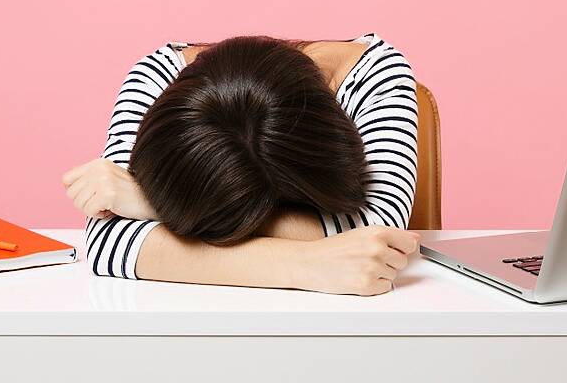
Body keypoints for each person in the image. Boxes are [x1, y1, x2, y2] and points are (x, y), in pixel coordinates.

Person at [61, 33, 420, 295]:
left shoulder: (374, 74)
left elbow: (377, 231)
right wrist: (304, 265)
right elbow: (109, 244)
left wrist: (153, 204)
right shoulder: (157, 75)